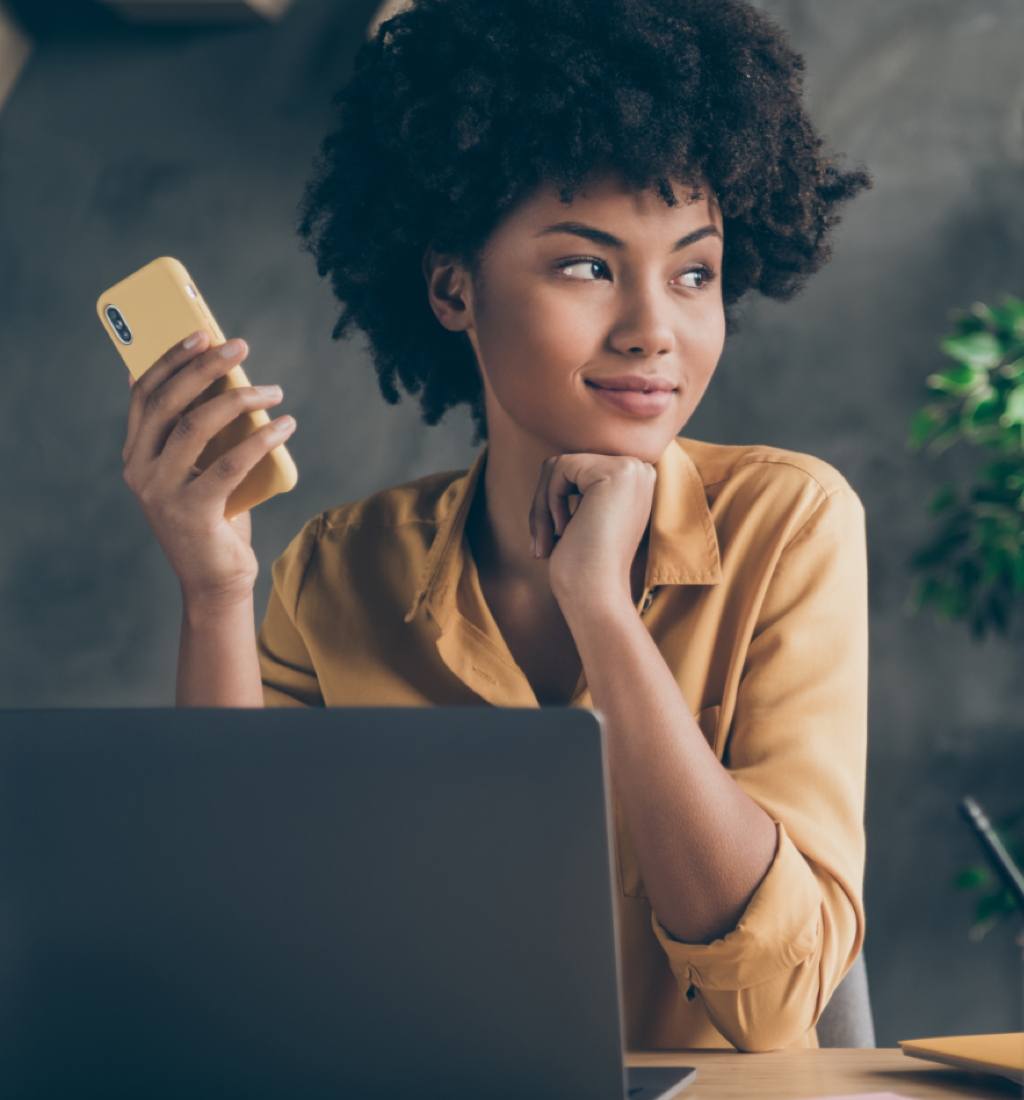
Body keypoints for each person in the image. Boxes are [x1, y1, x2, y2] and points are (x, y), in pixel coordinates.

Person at [120, 0, 871, 1053]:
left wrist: (601, 608)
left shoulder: (788, 524)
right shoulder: (338, 570)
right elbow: (235, 955)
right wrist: (215, 590)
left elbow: (775, 1001)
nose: (655, 327)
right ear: (451, 284)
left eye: (692, 271)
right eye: (586, 264)